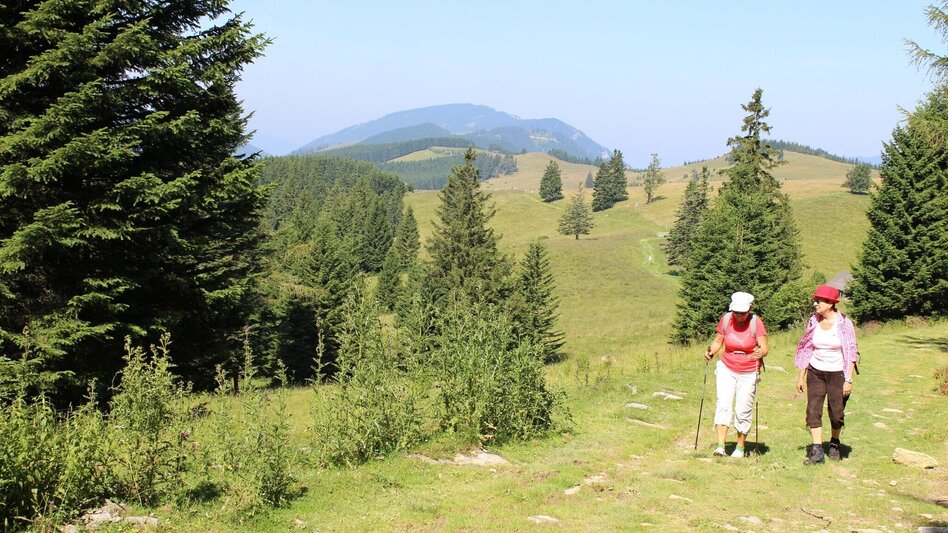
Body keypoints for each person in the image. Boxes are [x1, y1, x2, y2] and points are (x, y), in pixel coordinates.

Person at [794, 284, 859, 465]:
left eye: (819, 301)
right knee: (813, 410)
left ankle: (835, 443)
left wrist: (848, 379)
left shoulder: (844, 323)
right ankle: (816, 451)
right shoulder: (813, 321)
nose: (815, 304)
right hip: (816, 371)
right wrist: (801, 375)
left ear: (830, 303)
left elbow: (852, 352)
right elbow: (807, 348)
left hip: (837, 372)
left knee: (836, 412)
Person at [704, 291, 768, 458]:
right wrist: (711, 352)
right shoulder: (726, 319)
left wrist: (761, 352)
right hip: (727, 366)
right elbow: (719, 340)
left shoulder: (756, 322)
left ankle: (739, 448)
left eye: (743, 312)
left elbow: (764, 347)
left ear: (749, 310)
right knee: (723, 404)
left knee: (743, 408)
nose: (739, 316)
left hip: (748, 370)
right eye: (736, 312)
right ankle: (720, 446)